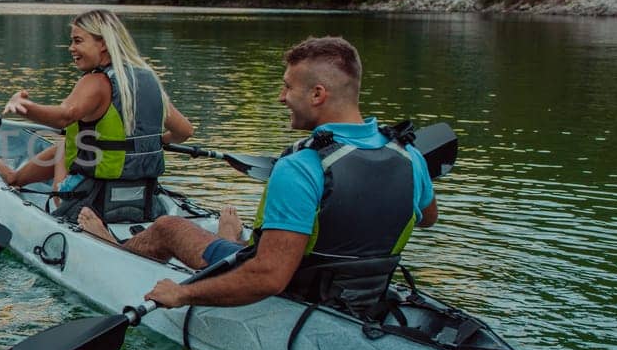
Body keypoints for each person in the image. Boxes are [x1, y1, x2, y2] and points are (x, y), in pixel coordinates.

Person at [80, 35, 438, 313]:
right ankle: (231, 238)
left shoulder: (302, 166)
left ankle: (111, 247)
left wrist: (183, 293)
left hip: (297, 288)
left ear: (317, 94)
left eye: (288, 87)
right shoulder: (408, 155)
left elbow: (269, 278)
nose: (281, 97)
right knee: (252, 242)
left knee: (167, 227)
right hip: (361, 289)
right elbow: (426, 219)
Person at [0, 8, 194, 222]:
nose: (71, 48)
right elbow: (185, 131)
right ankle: (15, 177)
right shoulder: (148, 81)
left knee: (67, 144)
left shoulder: (95, 82)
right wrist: (152, 141)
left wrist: (24, 107)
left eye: (78, 41)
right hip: (143, 201)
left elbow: (64, 116)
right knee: (71, 143)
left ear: (103, 43)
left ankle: (15, 178)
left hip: (90, 203)